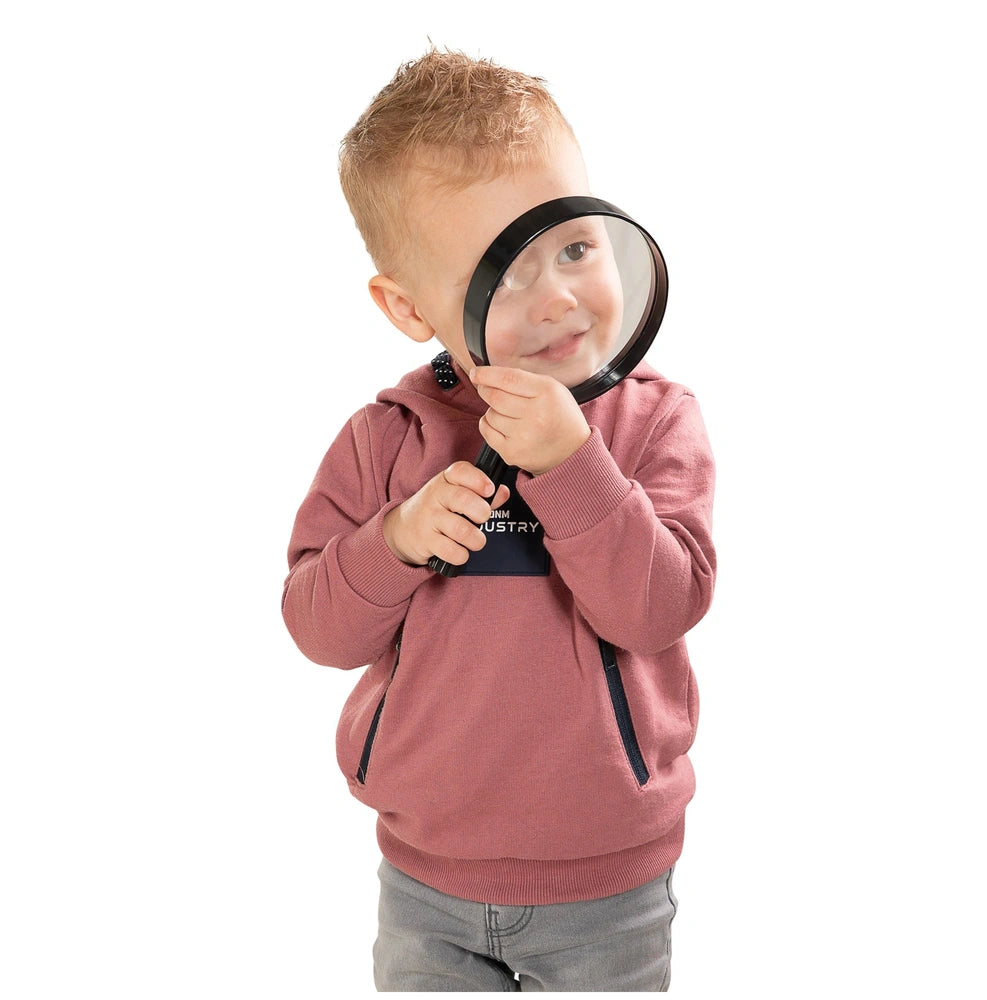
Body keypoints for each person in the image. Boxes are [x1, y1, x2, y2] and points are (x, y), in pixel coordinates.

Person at [282, 49, 716, 992]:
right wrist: (391, 542)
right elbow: (316, 627)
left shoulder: (655, 420)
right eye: (502, 275)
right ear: (408, 306)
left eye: (574, 246)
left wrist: (574, 464)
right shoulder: (387, 436)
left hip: (609, 882)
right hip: (426, 878)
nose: (559, 296)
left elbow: (660, 608)